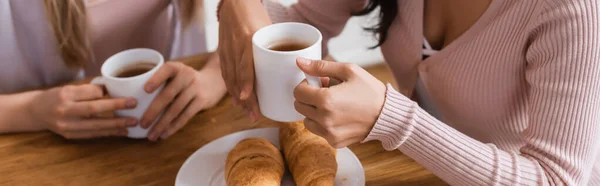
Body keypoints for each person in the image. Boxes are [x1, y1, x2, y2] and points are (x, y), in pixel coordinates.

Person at [217, 0, 600, 185]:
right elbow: (305, 24)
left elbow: (556, 179)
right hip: (415, 169)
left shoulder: (572, 10)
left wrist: (393, 118)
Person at [0, 0, 227, 141]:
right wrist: (30, 110)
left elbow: (257, 12)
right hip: (44, 151)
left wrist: (217, 73)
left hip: (184, 137)